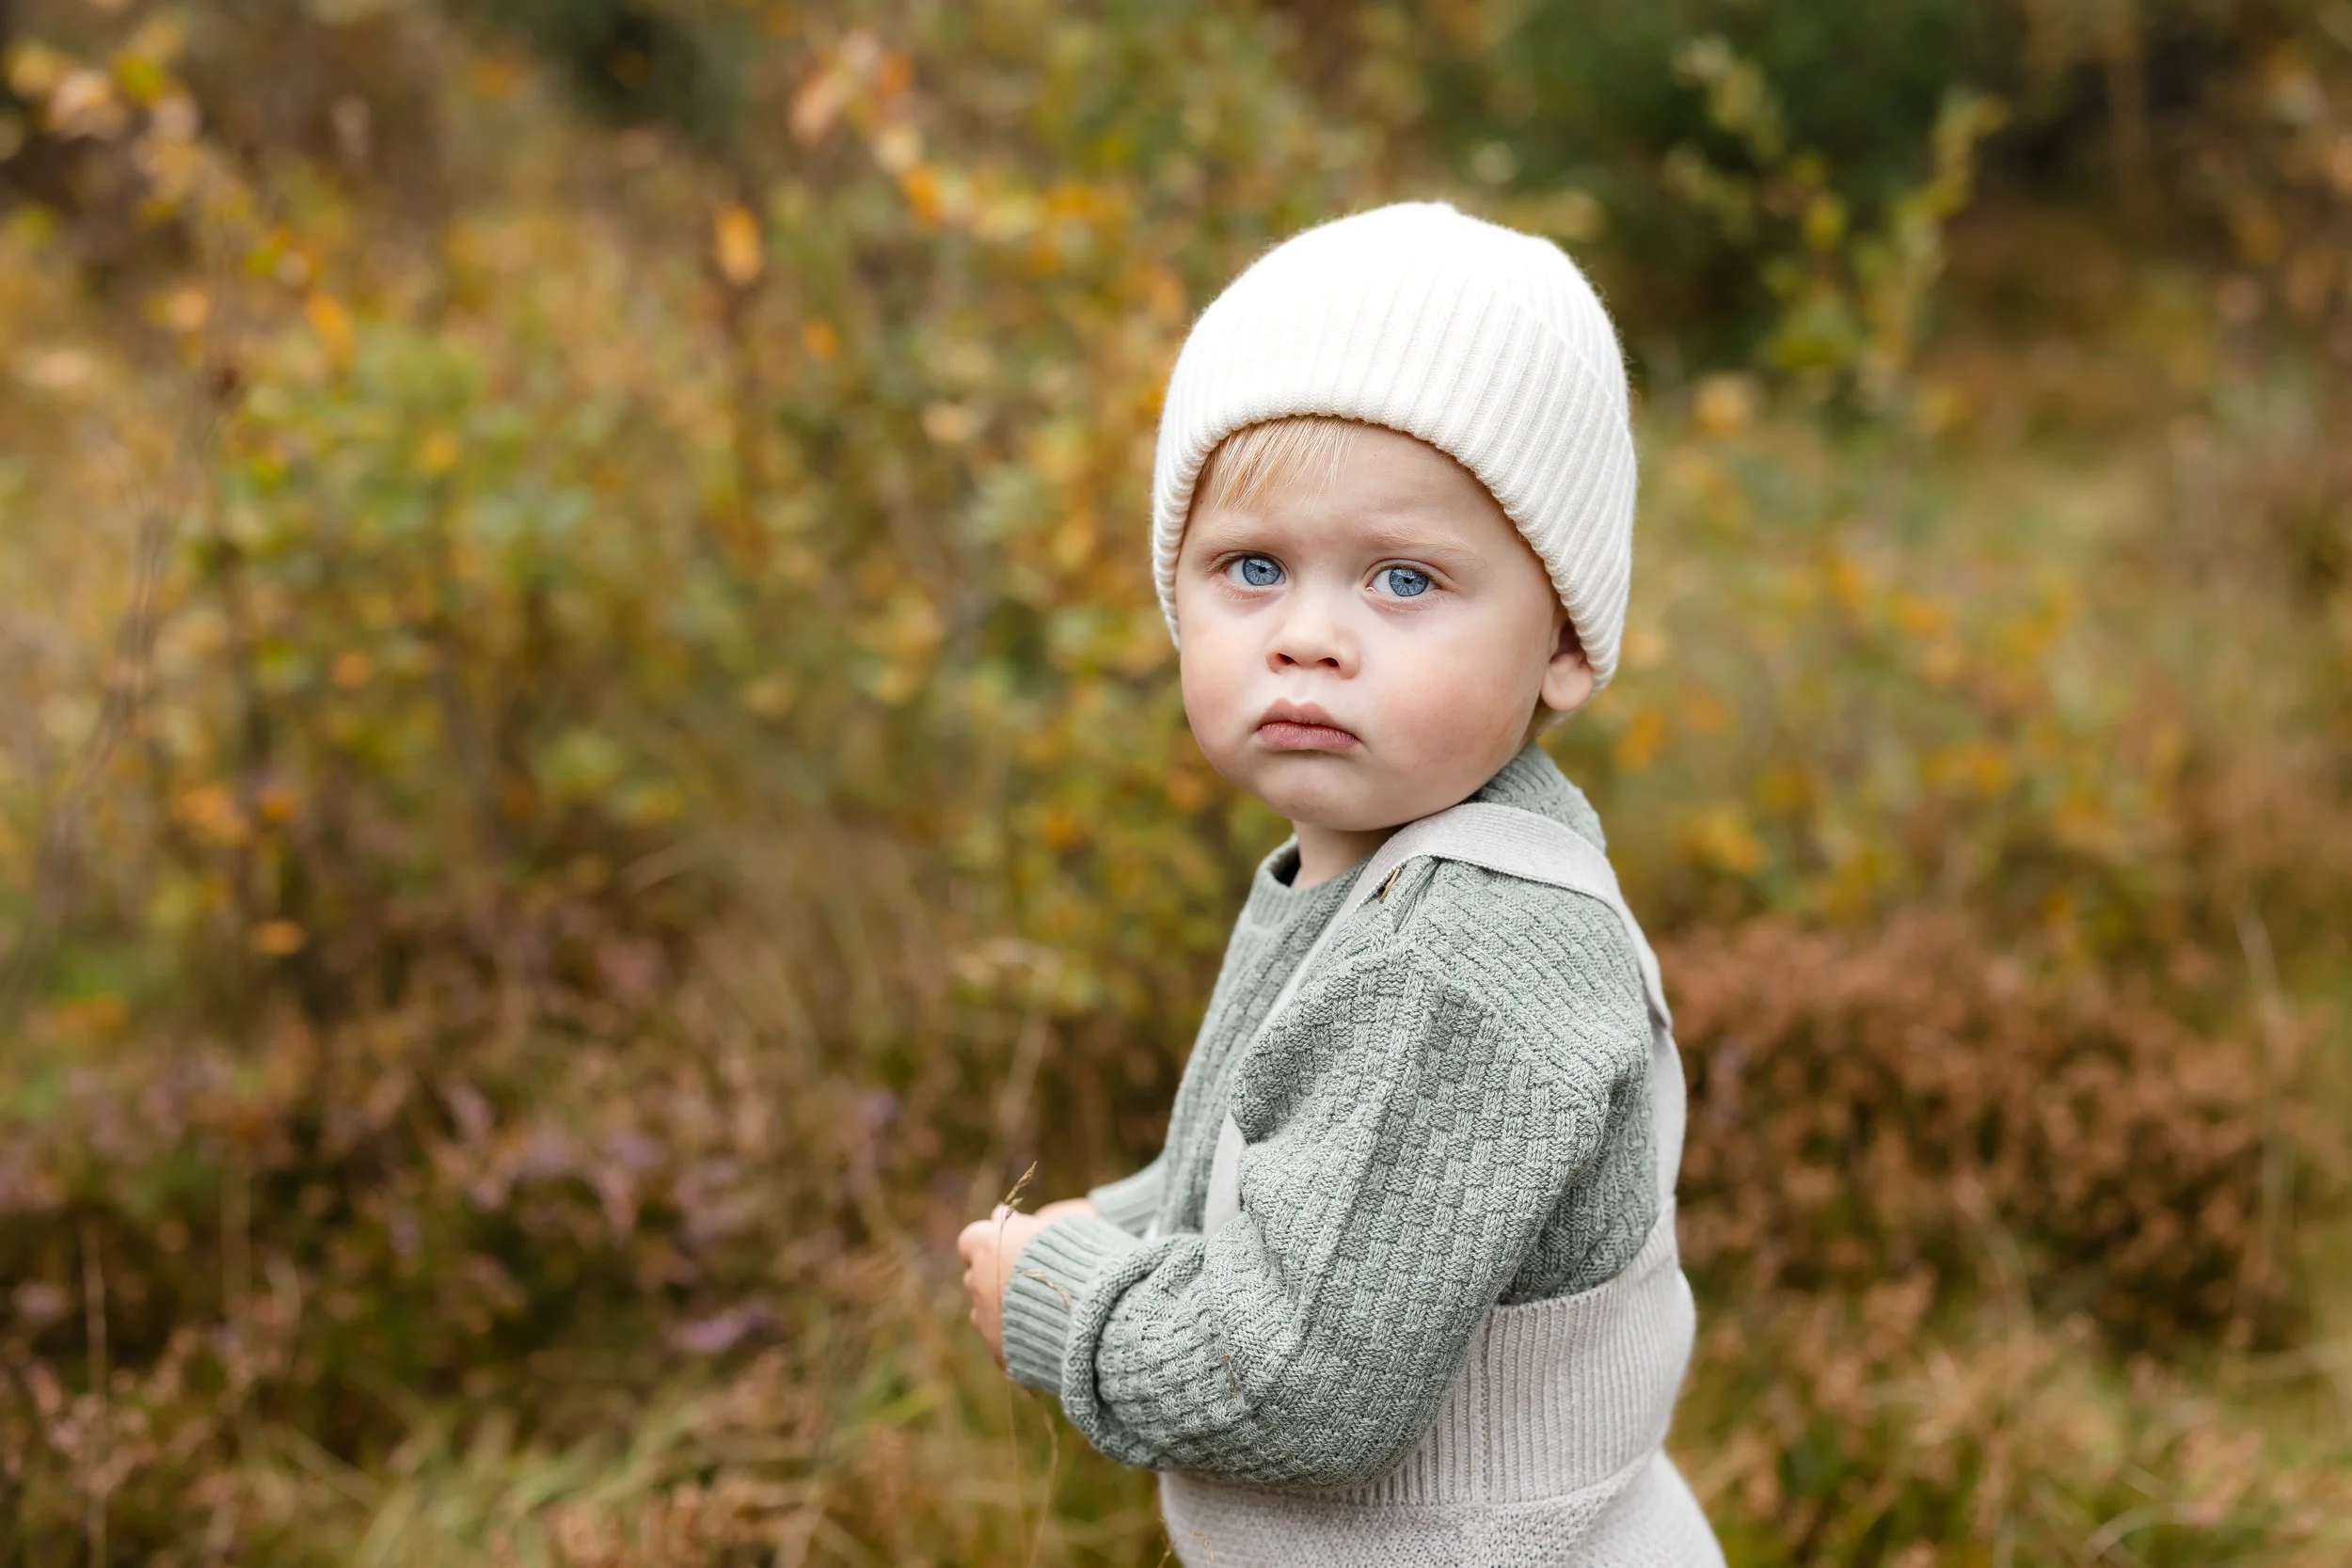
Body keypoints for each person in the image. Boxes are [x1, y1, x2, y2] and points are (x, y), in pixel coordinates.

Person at [957, 200, 1724, 1565]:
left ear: (1564, 642)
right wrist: (1129, 1215)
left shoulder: (1466, 952)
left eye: (1405, 579)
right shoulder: (1362, 868)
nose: (1310, 634)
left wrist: (1068, 1296)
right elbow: (1280, 1157)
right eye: (1252, 567)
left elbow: (1293, 1384)